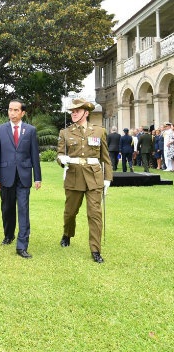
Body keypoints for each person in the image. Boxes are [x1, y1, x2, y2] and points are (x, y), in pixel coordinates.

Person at [57, 98, 112, 263]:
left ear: (86, 113)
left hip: (94, 178)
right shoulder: (65, 133)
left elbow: (105, 158)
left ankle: (95, 250)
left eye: (77, 111)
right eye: (72, 112)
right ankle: (67, 234)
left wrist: (107, 178)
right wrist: (63, 159)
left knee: (95, 214)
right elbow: (59, 154)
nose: (74, 114)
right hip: (74, 176)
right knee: (70, 212)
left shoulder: (99, 131)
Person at [0, 99, 41, 259]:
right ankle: (9, 234)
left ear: (23, 113)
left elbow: (34, 155)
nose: (12, 113)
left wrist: (37, 178)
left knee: (23, 210)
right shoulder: (0, 130)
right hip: (6, 176)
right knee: (7, 209)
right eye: (10, 110)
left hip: (24, 177)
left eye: (16, 110)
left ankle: (22, 246)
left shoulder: (31, 131)